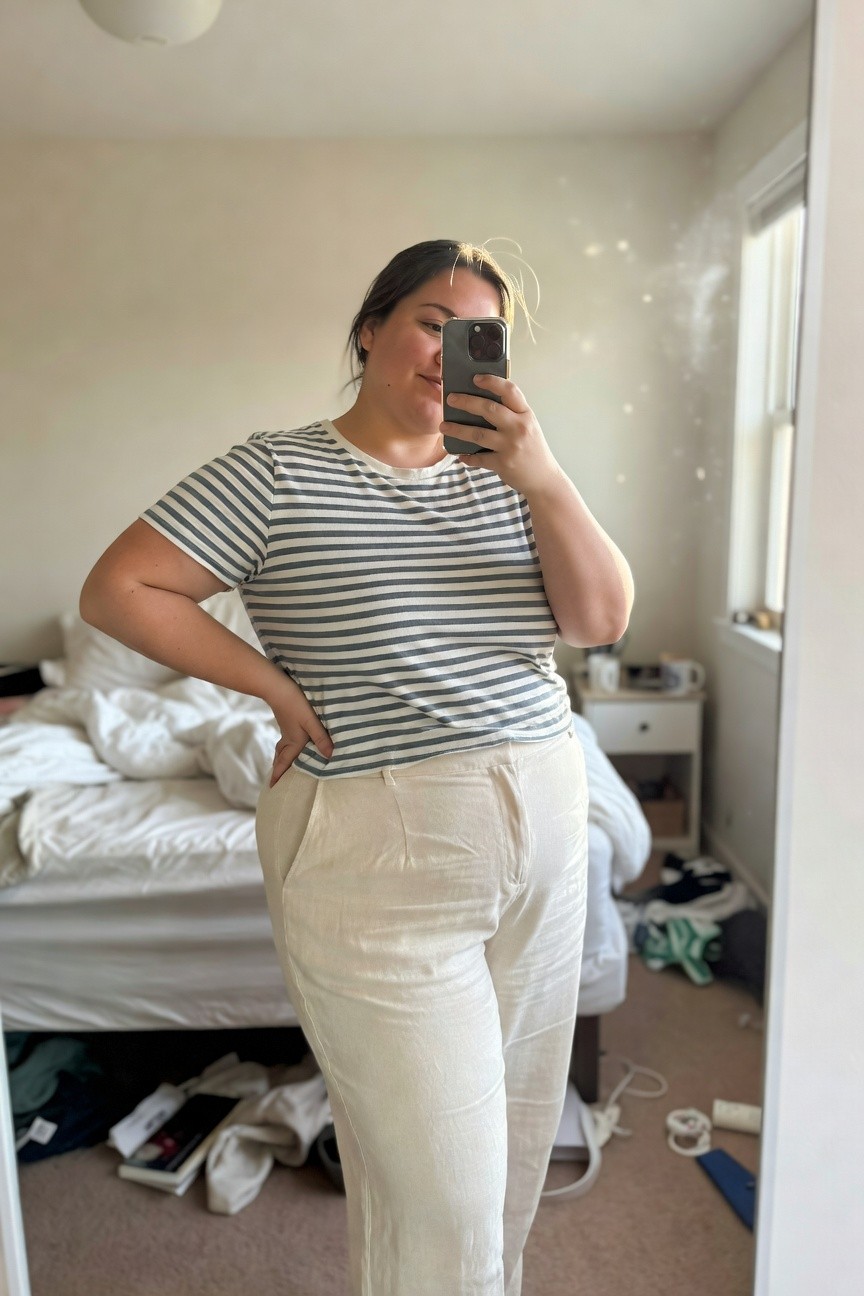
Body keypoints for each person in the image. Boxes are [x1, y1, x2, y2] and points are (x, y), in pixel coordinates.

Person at [80, 239, 633, 1295]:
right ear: (371, 329)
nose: (450, 353)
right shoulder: (276, 470)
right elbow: (121, 593)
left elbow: (600, 619)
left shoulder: (515, 475)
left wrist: (543, 472)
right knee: (449, 1202)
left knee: (508, 1168)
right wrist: (273, 688)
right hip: (379, 861)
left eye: (480, 336)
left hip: (548, 842)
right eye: (433, 321)